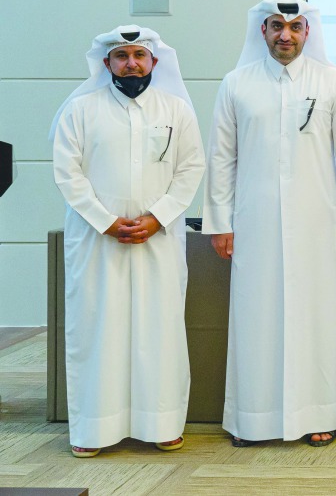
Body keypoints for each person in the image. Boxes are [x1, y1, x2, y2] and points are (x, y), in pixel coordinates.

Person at [203, 0, 336, 447]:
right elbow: (222, 158)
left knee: (319, 314)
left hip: (320, 221)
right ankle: (253, 419)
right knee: (257, 314)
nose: (285, 35)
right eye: (276, 26)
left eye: (294, 28)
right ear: (263, 32)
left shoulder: (333, 81)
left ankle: (321, 415)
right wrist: (219, 222)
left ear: (307, 33)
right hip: (254, 222)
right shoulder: (237, 83)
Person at [51, 26, 205, 457]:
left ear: (155, 62)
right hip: (97, 240)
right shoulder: (80, 111)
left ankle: (161, 424)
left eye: (139, 55)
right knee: (99, 328)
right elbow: (67, 172)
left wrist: (157, 218)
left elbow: (191, 168)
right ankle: (93, 431)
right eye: (122, 56)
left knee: (159, 329)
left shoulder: (177, 110)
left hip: (160, 238)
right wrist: (104, 221)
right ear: (106, 64)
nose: (131, 63)